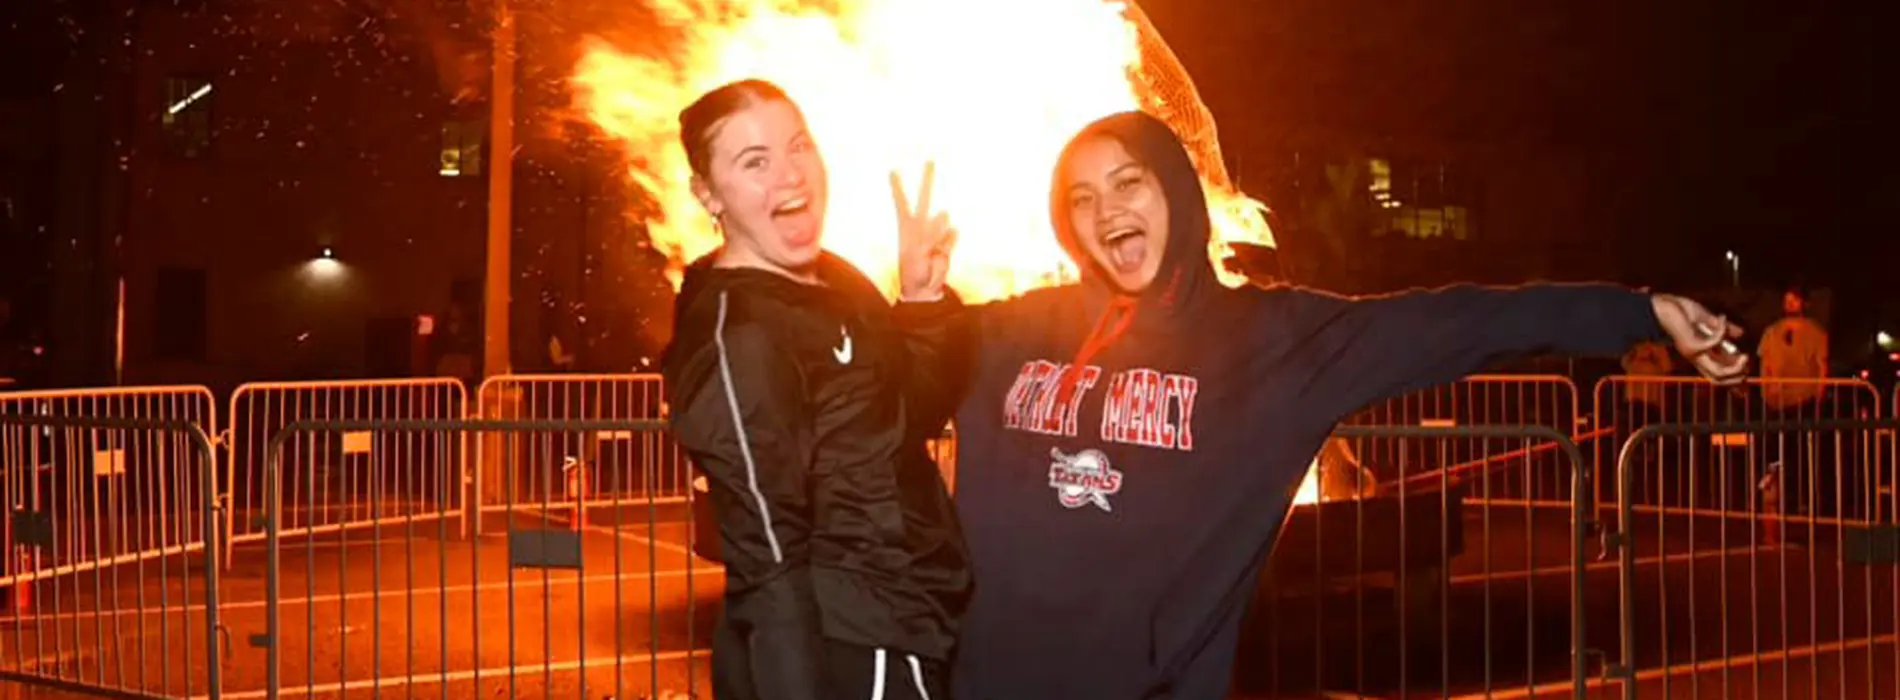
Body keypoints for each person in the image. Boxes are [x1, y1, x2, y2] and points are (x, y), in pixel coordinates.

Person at [889, 110, 1750, 699]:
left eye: (1126, 183)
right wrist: (921, 306)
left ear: (1177, 196)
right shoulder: (1013, 331)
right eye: (1081, 198)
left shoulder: (1272, 343)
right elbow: (894, 403)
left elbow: (1460, 321)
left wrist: (1636, 311)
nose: (1105, 210)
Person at [660, 79, 968, 700]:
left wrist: (921, 300)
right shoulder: (738, 332)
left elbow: (902, 421)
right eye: (755, 162)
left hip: (907, 619)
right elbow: (767, 560)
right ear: (707, 195)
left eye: (798, 146)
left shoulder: (835, 279)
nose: (790, 176)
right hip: (848, 646)